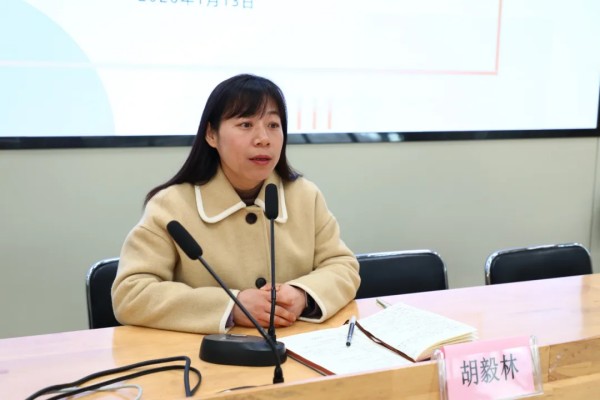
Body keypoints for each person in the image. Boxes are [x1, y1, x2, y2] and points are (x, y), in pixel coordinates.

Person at [112, 74, 360, 334]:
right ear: (211, 134)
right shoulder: (170, 205)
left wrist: (302, 294)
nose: (263, 138)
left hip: (297, 345)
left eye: (273, 125)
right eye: (246, 124)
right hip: (206, 353)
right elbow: (130, 293)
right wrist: (231, 306)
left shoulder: (304, 196)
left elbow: (342, 265)